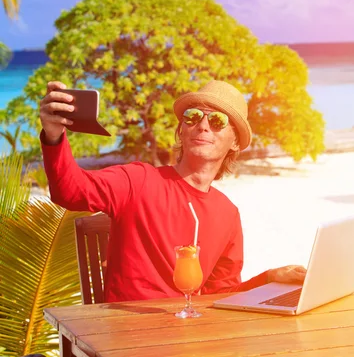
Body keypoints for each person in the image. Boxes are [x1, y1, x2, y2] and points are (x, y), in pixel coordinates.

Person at [39, 79, 306, 302]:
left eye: (217, 120)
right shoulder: (139, 180)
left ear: (235, 142)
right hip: (126, 337)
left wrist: (269, 278)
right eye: (193, 117)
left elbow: (220, 295)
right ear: (181, 131)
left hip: (185, 339)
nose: (202, 125)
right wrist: (54, 135)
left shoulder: (227, 213)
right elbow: (69, 191)